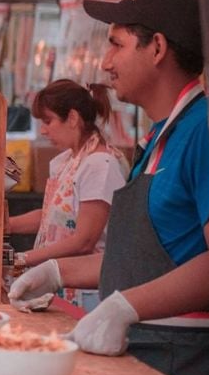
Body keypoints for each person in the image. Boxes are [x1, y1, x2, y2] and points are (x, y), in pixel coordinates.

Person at [9, 0, 209, 375]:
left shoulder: (206, 131)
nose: (105, 63)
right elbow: (139, 261)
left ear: (157, 48)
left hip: (184, 360)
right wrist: (56, 271)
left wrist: (126, 306)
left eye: (116, 45)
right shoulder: (161, 135)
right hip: (143, 352)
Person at [7, 80, 127, 308]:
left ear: (72, 118)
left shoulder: (99, 165)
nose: (43, 130)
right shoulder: (68, 161)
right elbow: (52, 217)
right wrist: (5, 225)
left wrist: (19, 259)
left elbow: (83, 241)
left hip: (86, 291)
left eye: (48, 121)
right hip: (61, 285)